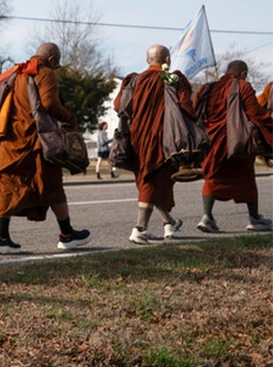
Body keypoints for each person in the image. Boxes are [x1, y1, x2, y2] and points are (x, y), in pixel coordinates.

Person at [0, 43, 91, 255]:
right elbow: (50, 104)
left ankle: (2, 238)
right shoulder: (44, 73)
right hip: (36, 140)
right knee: (52, 184)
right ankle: (67, 234)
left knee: (7, 185)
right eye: (57, 65)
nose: (56, 70)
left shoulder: (16, 74)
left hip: (10, 139)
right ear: (52, 58)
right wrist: (70, 118)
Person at [115, 44, 192, 244]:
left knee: (157, 180)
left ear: (147, 59)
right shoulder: (173, 79)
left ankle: (170, 224)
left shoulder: (134, 80)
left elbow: (119, 106)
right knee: (152, 180)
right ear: (167, 59)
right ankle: (139, 228)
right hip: (164, 138)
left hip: (137, 138)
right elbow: (186, 108)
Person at [193, 61, 273, 232]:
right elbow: (255, 113)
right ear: (243, 74)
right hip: (237, 142)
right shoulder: (243, 86)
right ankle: (254, 218)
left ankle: (207, 217)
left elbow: (196, 111)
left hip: (211, 139)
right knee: (246, 178)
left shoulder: (207, 88)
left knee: (213, 176)